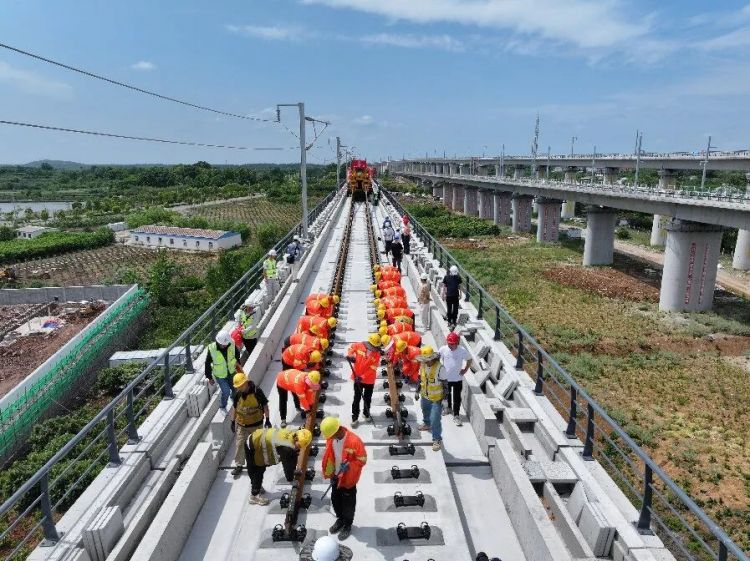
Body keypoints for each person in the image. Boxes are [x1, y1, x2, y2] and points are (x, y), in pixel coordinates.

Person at [320, 417, 367, 541]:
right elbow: (330, 456)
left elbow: (362, 460)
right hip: (335, 477)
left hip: (347, 479)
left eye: (331, 435)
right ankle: (340, 519)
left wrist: (350, 466)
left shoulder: (354, 441)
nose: (329, 438)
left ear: (337, 430)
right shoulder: (332, 440)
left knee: (348, 505)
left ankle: (347, 524)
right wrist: (331, 474)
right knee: (336, 501)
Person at [244, 427, 312, 505]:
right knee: (257, 470)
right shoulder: (286, 448)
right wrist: (290, 479)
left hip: (257, 438)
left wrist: (293, 471)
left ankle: (257, 487)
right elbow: (287, 465)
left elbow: (293, 456)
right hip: (253, 446)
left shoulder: (292, 435)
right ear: (296, 439)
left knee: (259, 469)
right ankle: (254, 496)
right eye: (299, 445)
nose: (299, 447)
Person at [230, 372, 271, 477]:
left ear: (246, 383)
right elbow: (235, 408)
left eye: (240, 386)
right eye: (237, 386)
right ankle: (239, 465)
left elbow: (265, 405)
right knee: (239, 445)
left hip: (256, 425)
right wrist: (232, 421)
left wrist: (267, 419)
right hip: (242, 425)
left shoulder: (257, 392)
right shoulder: (237, 394)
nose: (239, 388)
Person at [346, 333, 383, 427]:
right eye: (374, 346)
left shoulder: (377, 354)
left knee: (367, 398)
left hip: (369, 380)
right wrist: (351, 356)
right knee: (356, 398)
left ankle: (366, 414)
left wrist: (362, 377)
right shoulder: (359, 345)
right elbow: (351, 348)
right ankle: (355, 418)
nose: (375, 348)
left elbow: (373, 368)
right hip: (357, 377)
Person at [438, 332, 472, 426]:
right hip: (446, 378)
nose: (451, 346)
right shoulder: (443, 349)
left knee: (457, 397)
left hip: (457, 379)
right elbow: (437, 359)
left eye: (452, 344)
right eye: (449, 343)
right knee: (446, 395)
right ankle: (448, 408)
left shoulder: (462, 350)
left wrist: (465, 369)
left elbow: (469, 359)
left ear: (457, 342)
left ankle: (456, 415)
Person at [205, 330, 242, 412]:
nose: (224, 346)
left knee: (235, 388)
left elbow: (236, 353)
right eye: (222, 345)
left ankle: (233, 398)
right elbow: (207, 363)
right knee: (226, 392)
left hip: (231, 371)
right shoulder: (212, 348)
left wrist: (238, 363)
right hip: (220, 375)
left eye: (226, 344)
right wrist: (209, 377)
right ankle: (223, 405)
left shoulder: (231, 342)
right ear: (218, 342)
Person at [417, 346, 444, 451]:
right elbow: (421, 379)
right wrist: (417, 391)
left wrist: (445, 400)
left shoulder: (440, 368)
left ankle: (437, 439)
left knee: (435, 419)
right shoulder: (423, 366)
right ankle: (426, 424)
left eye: (427, 360)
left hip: (436, 399)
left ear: (432, 358)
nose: (426, 362)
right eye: (424, 360)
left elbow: (445, 384)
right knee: (425, 410)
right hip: (425, 396)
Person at [234, 299, 258, 363]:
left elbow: (253, 325)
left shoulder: (254, 313)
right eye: (249, 307)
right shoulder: (241, 312)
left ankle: (254, 360)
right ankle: (251, 359)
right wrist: (238, 327)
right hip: (244, 336)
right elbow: (237, 320)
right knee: (248, 348)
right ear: (246, 306)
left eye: (252, 307)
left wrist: (245, 331)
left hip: (252, 336)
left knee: (253, 349)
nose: (251, 309)